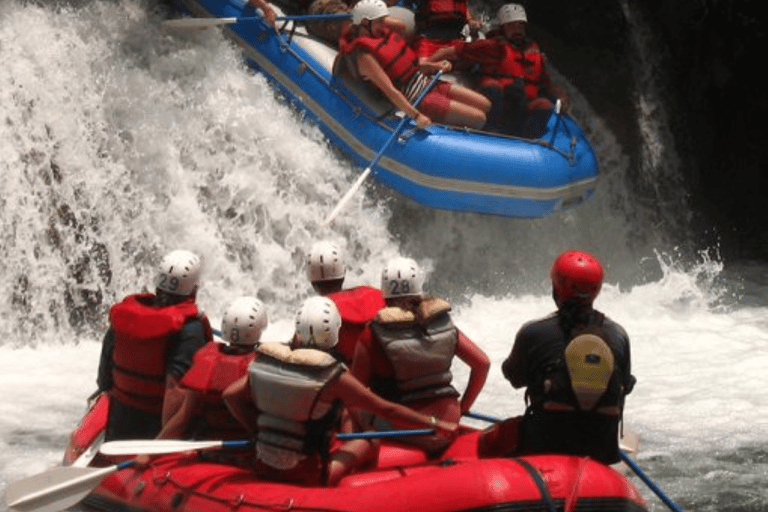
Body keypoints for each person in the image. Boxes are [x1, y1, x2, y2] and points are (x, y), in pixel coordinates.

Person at [223, 296, 456, 486]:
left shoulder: (264, 363)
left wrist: (256, 430)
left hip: (262, 464)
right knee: (368, 441)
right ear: (334, 333)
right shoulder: (334, 376)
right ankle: (361, 485)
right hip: (307, 475)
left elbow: (230, 396)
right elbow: (387, 409)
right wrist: (434, 422)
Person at [478, 250, 636, 464]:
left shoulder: (533, 332)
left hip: (545, 443)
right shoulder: (619, 335)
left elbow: (514, 378)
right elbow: (625, 384)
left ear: (556, 287)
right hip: (600, 445)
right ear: (596, 290)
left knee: (486, 442)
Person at [351, 257, 490, 455]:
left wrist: (364, 425)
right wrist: (463, 407)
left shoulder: (372, 333)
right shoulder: (441, 321)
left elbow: (353, 394)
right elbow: (482, 364)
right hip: (449, 423)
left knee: (347, 409)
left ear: (385, 293)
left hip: (408, 430)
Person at [96, 250, 212, 441]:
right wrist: (161, 445)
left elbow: (104, 380)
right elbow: (175, 389)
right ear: (193, 290)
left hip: (119, 421)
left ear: (158, 285)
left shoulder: (126, 316)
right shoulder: (191, 330)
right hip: (155, 428)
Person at [338, 0, 490, 130]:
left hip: (429, 82)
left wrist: (436, 65)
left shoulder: (382, 35)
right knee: (479, 118)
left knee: (486, 104)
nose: (384, 25)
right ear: (365, 23)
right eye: (380, 21)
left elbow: (414, 64)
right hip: (419, 99)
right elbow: (391, 91)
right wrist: (417, 116)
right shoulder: (364, 56)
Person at [426, 3, 569, 135]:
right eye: (512, 26)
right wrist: (427, 65)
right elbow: (450, 51)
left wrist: (561, 96)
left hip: (523, 109)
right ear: (503, 28)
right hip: (498, 105)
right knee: (497, 87)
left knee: (543, 105)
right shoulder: (493, 46)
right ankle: (491, 132)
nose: (517, 30)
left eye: (520, 26)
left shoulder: (534, 51)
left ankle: (528, 142)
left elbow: (546, 83)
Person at [155, 297, 268, 441]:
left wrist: (151, 450)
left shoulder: (207, 360)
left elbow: (183, 418)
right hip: (245, 445)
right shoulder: (263, 364)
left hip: (208, 443)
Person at [306, 240, 385, 364]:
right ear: (343, 274)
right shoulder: (376, 294)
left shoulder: (314, 314)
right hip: (385, 372)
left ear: (312, 282)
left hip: (348, 375)